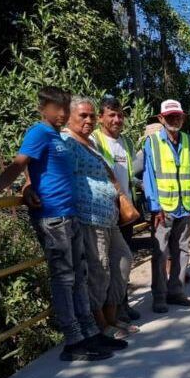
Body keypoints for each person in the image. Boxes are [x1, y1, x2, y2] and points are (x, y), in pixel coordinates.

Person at [0, 87, 124, 362]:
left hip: (70, 215)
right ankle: (73, 340)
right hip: (51, 217)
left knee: (79, 277)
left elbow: (47, 171)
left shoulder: (57, 136)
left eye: (65, 108)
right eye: (57, 108)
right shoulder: (38, 132)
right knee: (64, 277)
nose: (62, 113)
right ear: (42, 108)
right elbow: (20, 164)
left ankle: (90, 333)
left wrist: (28, 187)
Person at [62, 96, 136, 340]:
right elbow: (41, 164)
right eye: (83, 115)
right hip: (88, 217)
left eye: (91, 115)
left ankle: (113, 316)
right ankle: (102, 325)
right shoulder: (66, 141)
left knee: (122, 260)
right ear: (69, 116)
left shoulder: (90, 144)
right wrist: (29, 187)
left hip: (109, 219)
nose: (89, 120)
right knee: (99, 270)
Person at [142, 99, 190, 313]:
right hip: (163, 209)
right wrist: (155, 206)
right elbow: (148, 176)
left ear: (183, 117)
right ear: (161, 118)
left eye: (177, 116)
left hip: (184, 206)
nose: (174, 119)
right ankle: (159, 296)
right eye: (169, 117)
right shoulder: (152, 143)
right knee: (160, 253)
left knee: (182, 250)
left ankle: (176, 292)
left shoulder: (189, 141)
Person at [90, 96, 142, 322]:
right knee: (106, 265)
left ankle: (122, 304)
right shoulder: (93, 140)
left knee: (123, 261)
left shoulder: (127, 143)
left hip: (124, 210)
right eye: (111, 115)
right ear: (100, 117)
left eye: (120, 115)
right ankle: (108, 314)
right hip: (103, 211)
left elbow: (130, 176)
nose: (117, 119)